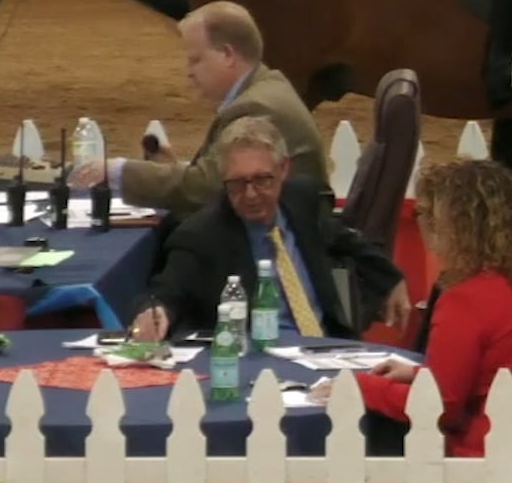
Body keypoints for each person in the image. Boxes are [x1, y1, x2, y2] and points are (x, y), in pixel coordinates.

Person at [323, 157, 512, 458]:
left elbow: (439, 408)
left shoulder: (466, 298)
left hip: (498, 460)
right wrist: (417, 373)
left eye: (425, 214)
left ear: (452, 227)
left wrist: (363, 386)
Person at [130, 115, 410, 340]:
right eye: (238, 184)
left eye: (263, 180)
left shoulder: (303, 202)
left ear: (284, 169)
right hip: (255, 366)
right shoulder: (201, 235)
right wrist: (156, 312)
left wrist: (391, 278)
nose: (251, 195)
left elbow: (347, 240)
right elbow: (166, 291)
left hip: (327, 351)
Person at [70, 0, 326, 219]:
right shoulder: (267, 87)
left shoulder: (255, 107)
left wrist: (118, 172)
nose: (189, 72)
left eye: (196, 59)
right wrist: (173, 168)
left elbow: (208, 187)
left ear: (227, 55)